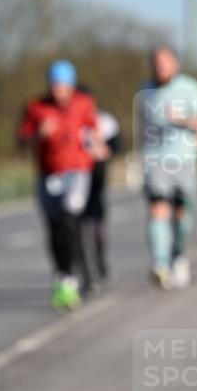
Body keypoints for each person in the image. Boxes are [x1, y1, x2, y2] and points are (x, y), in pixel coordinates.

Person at [18, 59, 99, 310]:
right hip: (47, 174)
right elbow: (21, 139)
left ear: (71, 85)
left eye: (63, 86)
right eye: (54, 85)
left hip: (77, 172)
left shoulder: (83, 104)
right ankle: (62, 275)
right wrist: (36, 135)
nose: (58, 91)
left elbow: (93, 131)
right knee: (53, 228)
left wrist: (96, 145)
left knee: (69, 219)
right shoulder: (36, 107)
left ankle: (73, 276)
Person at [137, 45, 197, 290]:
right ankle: (160, 263)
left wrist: (182, 120)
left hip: (184, 159)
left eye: (165, 62)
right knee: (158, 207)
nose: (160, 67)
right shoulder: (144, 90)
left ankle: (179, 254)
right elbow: (142, 124)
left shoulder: (190, 87)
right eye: (156, 63)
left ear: (175, 64)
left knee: (182, 214)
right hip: (155, 159)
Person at [79, 103, 121, 291]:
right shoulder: (69, 119)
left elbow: (114, 146)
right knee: (76, 231)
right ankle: (86, 275)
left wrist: (103, 149)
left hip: (96, 181)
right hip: (74, 180)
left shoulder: (104, 121)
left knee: (96, 230)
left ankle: (101, 266)